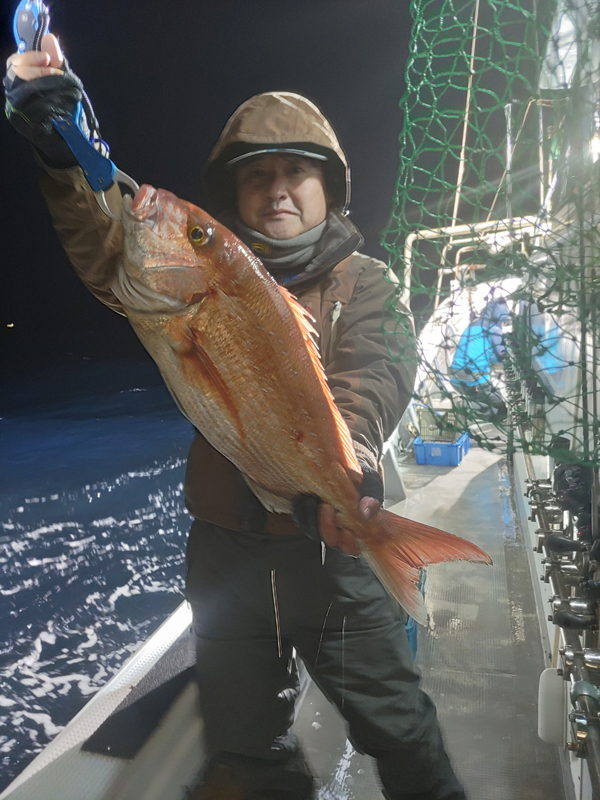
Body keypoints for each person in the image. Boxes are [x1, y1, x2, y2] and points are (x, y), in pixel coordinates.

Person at [6, 35, 467, 800]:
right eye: (257, 176)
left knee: (400, 727)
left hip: (338, 558)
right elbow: (108, 238)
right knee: (244, 747)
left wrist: (340, 470)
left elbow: (376, 377)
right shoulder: (190, 278)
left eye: (296, 172)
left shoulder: (370, 284)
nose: (277, 189)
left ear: (328, 189)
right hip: (225, 557)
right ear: (235, 193)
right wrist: (64, 155)